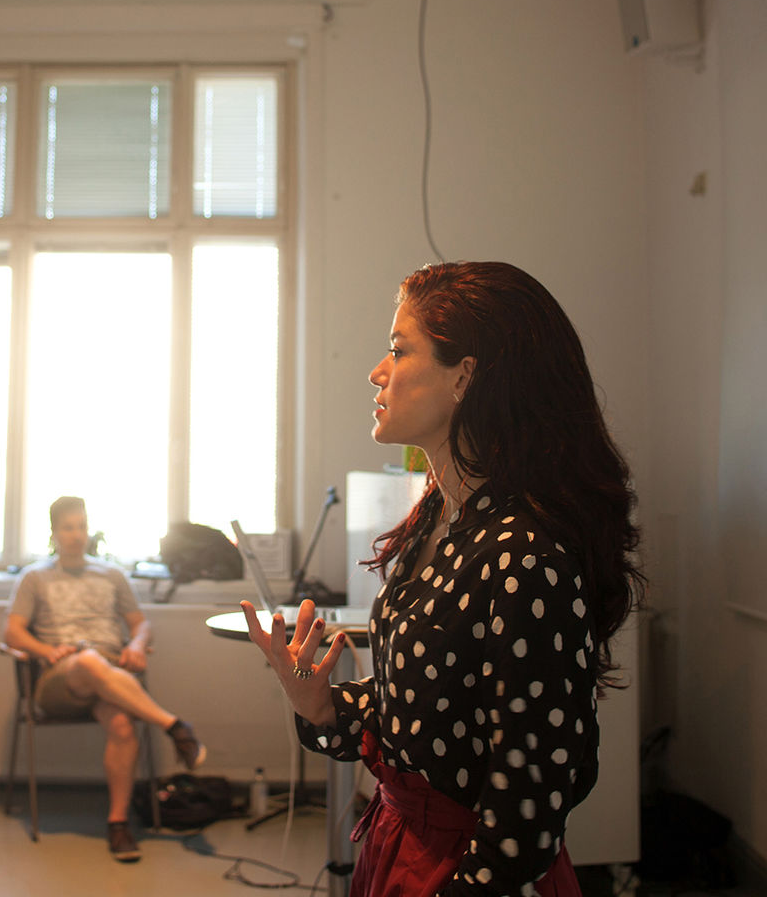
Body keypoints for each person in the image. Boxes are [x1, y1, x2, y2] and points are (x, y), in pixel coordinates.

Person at [238, 261, 643, 897]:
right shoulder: (436, 520)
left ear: (464, 377)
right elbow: (422, 718)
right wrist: (318, 703)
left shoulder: (523, 554)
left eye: (399, 350)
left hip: (466, 874)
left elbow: (528, 806)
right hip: (403, 846)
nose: (378, 371)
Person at [3, 495, 208, 863]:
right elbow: (12, 633)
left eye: (81, 526)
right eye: (68, 528)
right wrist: (45, 650)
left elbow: (140, 624)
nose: (76, 534)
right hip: (60, 680)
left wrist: (137, 646)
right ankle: (174, 726)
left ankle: (118, 824)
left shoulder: (112, 575)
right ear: (54, 532)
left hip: (109, 675)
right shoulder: (34, 577)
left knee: (123, 726)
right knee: (88, 661)